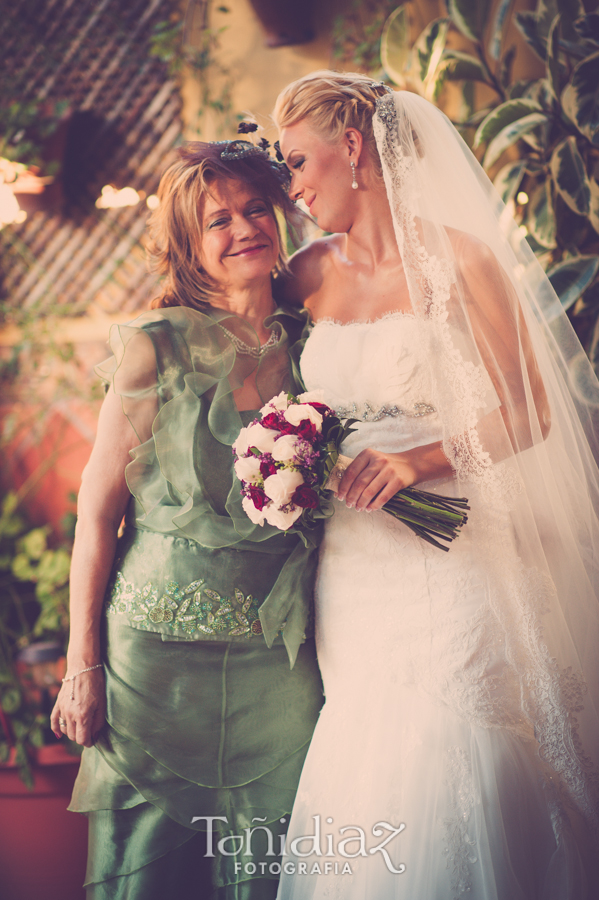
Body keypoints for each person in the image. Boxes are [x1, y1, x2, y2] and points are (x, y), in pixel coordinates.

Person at [272, 71, 599, 899]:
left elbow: (528, 412)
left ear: (353, 149)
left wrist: (421, 460)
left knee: (454, 731)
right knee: (365, 739)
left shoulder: (461, 260)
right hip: (349, 567)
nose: (293, 188)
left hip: (450, 550)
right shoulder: (302, 275)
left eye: (300, 162)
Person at [50, 141, 324, 900]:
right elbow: (97, 511)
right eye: (217, 220)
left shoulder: (316, 346)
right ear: (189, 246)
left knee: (268, 866)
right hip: (153, 668)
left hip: (281, 663)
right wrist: (82, 665)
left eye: (254, 209)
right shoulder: (154, 348)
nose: (243, 228)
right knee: (147, 872)